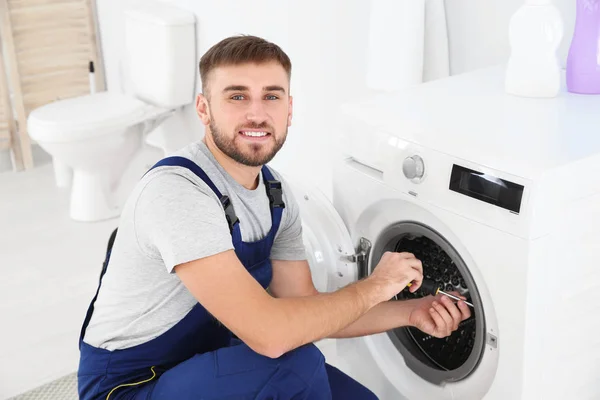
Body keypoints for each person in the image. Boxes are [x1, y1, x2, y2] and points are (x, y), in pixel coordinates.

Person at [77, 35, 471, 400]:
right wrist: (378, 285)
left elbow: (309, 309)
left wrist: (410, 313)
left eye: (271, 96)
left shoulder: (275, 194)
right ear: (204, 109)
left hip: (210, 359)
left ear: (289, 109)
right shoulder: (177, 192)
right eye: (236, 97)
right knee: (295, 367)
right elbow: (271, 336)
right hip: (131, 385)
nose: (256, 113)